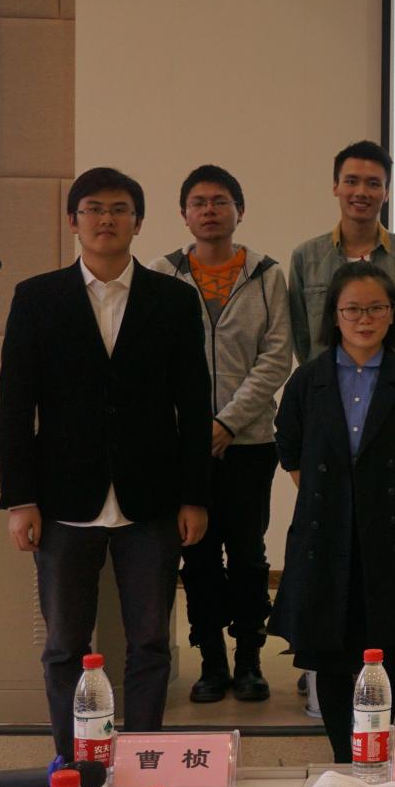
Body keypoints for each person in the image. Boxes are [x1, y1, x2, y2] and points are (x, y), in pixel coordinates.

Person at [0, 168, 212, 762]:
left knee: (149, 643)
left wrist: (195, 495)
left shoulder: (173, 299)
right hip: (62, 501)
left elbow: (195, 406)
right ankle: (75, 760)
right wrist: (20, 499)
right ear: (73, 221)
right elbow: (15, 407)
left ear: (138, 222)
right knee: (64, 646)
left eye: (119, 209)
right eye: (93, 209)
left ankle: (141, 755)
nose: (106, 220)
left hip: (152, 500)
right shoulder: (37, 298)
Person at [273, 262, 395, 763]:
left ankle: (375, 755)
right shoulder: (308, 379)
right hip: (323, 535)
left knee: (384, 654)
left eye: (376, 308)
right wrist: (333, 494)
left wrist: (370, 495)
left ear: (392, 315)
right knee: (329, 655)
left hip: (387, 534)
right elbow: (290, 446)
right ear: (334, 315)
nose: (364, 319)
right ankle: (342, 759)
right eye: (352, 309)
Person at [156, 165, 294, 704]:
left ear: (240, 210)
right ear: (184, 214)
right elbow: (155, 362)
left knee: (249, 555)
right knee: (197, 555)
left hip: (250, 443)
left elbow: (276, 357)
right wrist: (196, 428)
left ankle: (249, 660)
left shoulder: (267, 275)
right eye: (199, 202)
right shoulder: (162, 274)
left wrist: (228, 422)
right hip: (182, 445)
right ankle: (210, 661)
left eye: (220, 201)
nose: (209, 210)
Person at [288, 141, 395, 368]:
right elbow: (301, 336)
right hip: (326, 384)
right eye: (351, 181)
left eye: (373, 183)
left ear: (386, 193)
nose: (361, 192)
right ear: (335, 186)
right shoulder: (306, 258)